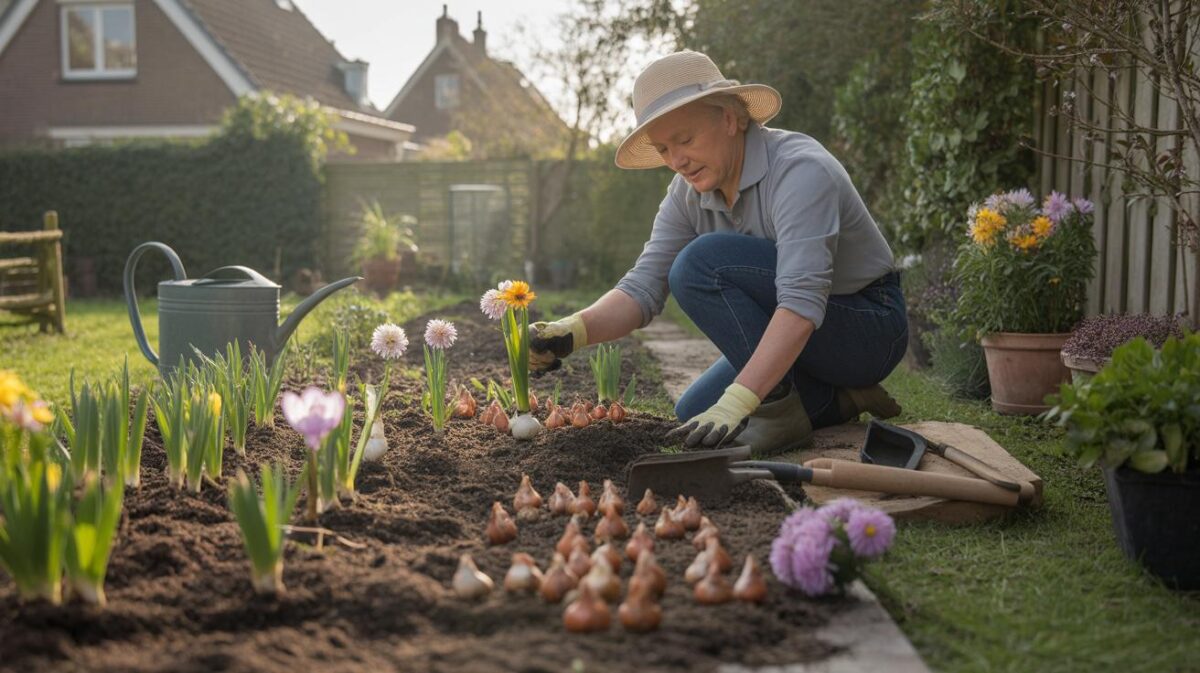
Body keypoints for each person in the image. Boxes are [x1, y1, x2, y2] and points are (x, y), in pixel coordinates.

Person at [529, 50, 907, 454]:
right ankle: (843, 399)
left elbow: (800, 301)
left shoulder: (801, 171)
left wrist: (740, 401)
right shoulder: (687, 192)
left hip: (866, 326)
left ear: (730, 118)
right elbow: (642, 287)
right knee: (694, 409)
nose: (677, 161)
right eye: (663, 150)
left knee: (699, 264)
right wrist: (572, 331)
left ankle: (781, 411)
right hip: (806, 329)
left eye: (685, 140)